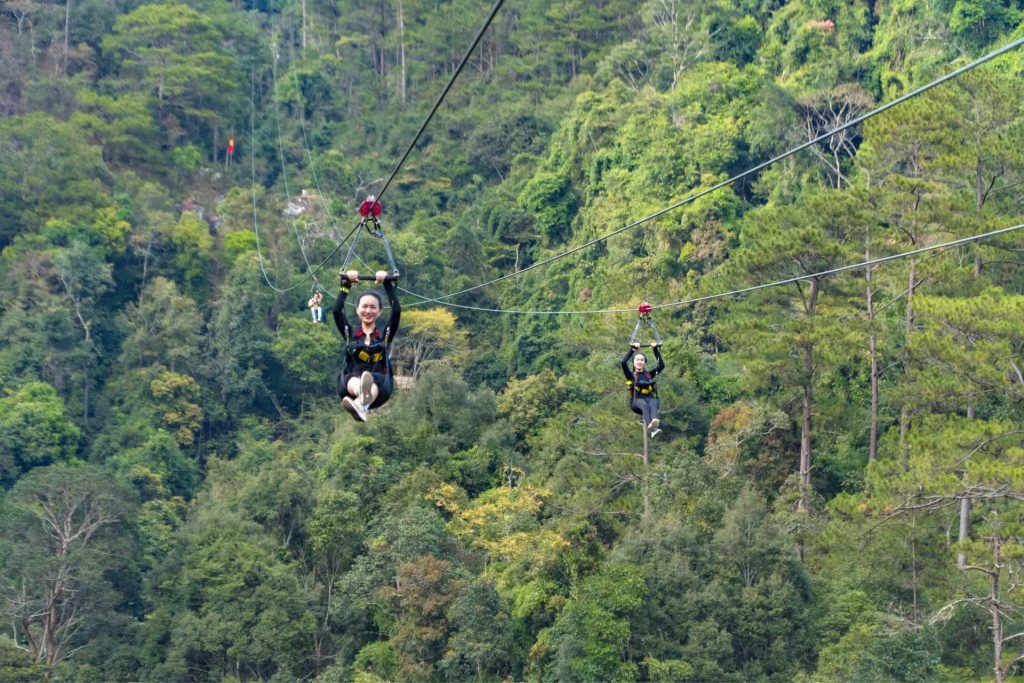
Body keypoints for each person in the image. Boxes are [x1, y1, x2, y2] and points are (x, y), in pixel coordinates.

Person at [333, 269, 400, 421]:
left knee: (372, 379)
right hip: (349, 384)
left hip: (380, 385)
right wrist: (347, 285)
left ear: (380, 311)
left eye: (373, 307)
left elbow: (396, 312)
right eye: (364, 306)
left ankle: (363, 401)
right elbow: (337, 311)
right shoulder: (350, 333)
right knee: (356, 379)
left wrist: (387, 284)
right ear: (357, 310)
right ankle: (361, 399)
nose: (368, 310)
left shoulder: (385, 335)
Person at [621, 342, 665, 437]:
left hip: (649, 398)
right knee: (644, 404)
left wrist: (655, 350)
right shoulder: (631, 375)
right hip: (636, 401)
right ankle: (651, 426)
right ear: (633, 362)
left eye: (642, 360)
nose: (640, 362)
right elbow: (623, 363)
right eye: (637, 360)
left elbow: (661, 366)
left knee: (654, 401)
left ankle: (654, 426)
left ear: (644, 362)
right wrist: (632, 349)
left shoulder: (649, 375)